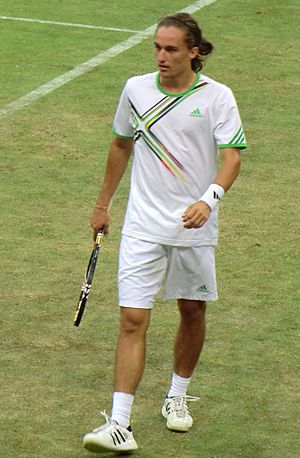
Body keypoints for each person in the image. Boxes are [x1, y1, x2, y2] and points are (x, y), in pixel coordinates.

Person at [83, 12, 247, 454]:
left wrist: (207, 200)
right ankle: (120, 424)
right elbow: (120, 144)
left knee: (192, 311)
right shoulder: (135, 90)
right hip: (142, 227)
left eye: (171, 49)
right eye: (157, 47)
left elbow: (231, 158)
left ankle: (176, 395)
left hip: (194, 226)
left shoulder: (217, 97)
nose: (161, 56)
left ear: (194, 51)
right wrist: (103, 205)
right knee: (132, 319)